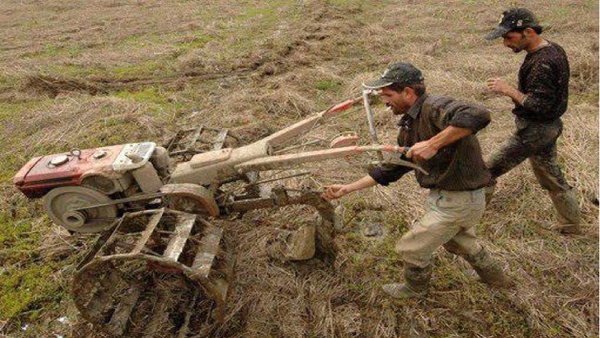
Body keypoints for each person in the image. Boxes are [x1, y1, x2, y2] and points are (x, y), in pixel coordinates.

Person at [321, 62, 512, 299]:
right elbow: (392, 168)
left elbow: (478, 114)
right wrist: (347, 188)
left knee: (411, 248)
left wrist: (434, 144)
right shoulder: (410, 123)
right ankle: (497, 280)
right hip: (447, 197)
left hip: (459, 200)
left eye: (388, 95)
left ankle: (415, 290)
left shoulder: (434, 107)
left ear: (408, 92)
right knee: (460, 242)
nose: (385, 101)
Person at [484, 8, 580, 234]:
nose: (505, 43)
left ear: (528, 31)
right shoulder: (553, 48)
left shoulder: (542, 64)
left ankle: (465, 224)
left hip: (535, 131)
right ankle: (571, 225)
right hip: (549, 128)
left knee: (485, 173)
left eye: (509, 37)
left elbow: (539, 105)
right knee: (552, 177)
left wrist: (508, 90)